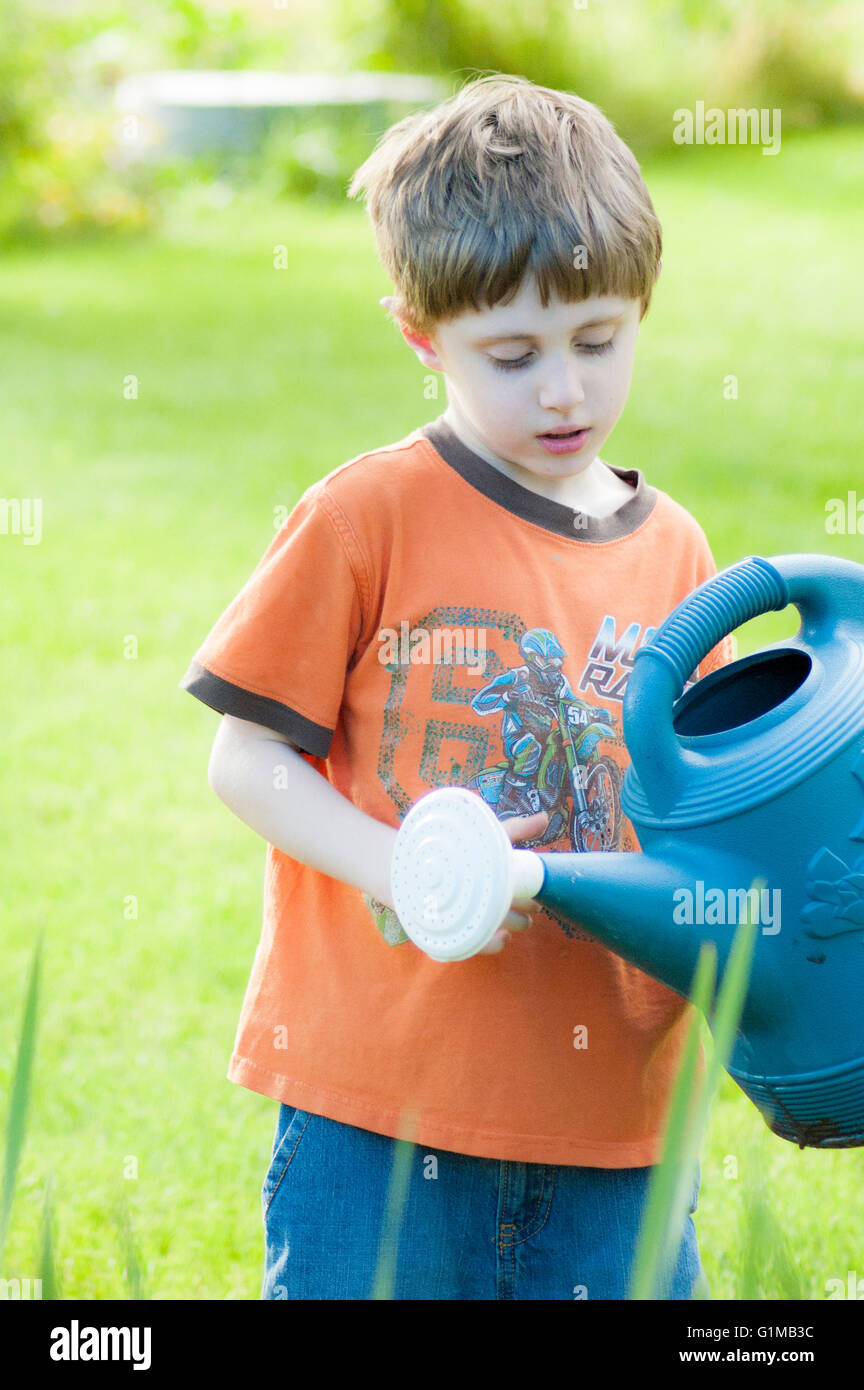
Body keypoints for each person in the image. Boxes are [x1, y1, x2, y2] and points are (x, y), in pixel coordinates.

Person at [180, 73, 735, 1301]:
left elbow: (715, 816)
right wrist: (413, 876)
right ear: (421, 336)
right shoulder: (366, 517)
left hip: (613, 1124)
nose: (563, 390)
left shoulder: (679, 556)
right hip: (378, 1116)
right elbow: (245, 758)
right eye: (512, 353)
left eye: (598, 339)